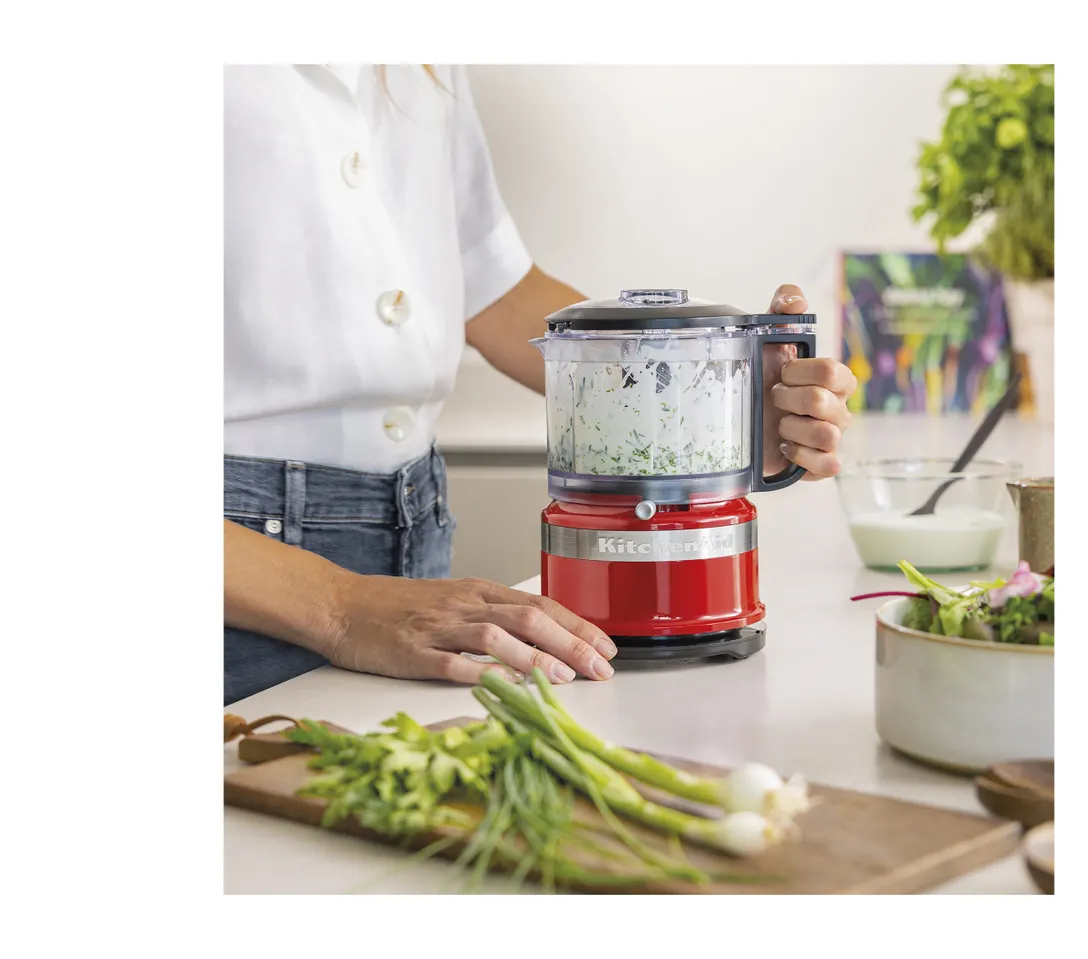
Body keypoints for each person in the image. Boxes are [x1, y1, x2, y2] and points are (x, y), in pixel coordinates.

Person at [223, 65, 856, 706]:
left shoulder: (418, 61)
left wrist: (712, 411)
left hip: (415, 540)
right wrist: (343, 607)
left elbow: (491, 290)